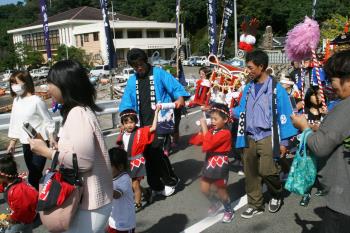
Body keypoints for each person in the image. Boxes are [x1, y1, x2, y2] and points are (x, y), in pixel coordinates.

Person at [28, 60, 113, 233]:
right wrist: (57, 146)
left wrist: (46, 152)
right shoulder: (80, 110)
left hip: (89, 201)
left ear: (65, 84)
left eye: (50, 82)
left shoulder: (77, 113)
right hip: (92, 199)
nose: (47, 87)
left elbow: (83, 162)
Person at [233, 50, 298, 218]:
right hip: (249, 136)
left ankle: (276, 194)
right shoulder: (247, 88)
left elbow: (286, 115)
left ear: (261, 67)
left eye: (250, 67)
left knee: (268, 170)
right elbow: (241, 110)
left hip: (269, 135)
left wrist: (284, 142)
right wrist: (228, 112)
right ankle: (255, 204)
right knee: (251, 172)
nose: (248, 70)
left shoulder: (277, 89)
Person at [291, 50, 350, 233]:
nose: (332, 86)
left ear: (347, 78)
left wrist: (305, 128)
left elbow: (321, 147)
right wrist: (319, 129)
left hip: (343, 200)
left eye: (332, 80)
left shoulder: (345, 107)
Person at [119, 48, 190, 197]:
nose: (138, 68)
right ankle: (156, 185)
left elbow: (175, 87)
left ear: (146, 61)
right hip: (142, 124)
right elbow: (126, 102)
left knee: (156, 151)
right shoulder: (132, 81)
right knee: (147, 154)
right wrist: (125, 118)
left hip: (161, 120)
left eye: (140, 64)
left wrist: (180, 97)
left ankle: (171, 180)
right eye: (135, 66)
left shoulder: (159, 73)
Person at [6, 71, 56, 190]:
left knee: (34, 174)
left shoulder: (37, 100)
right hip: (25, 143)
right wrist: (13, 142)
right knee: (35, 173)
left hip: (40, 142)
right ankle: (40, 199)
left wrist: (52, 137)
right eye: (12, 83)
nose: (14, 86)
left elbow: (48, 120)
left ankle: (34, 201)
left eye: (16, 83)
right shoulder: (16, 100)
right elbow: (15, 122)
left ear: (26, 82)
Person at [191, 103, 234, 223]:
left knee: (221, 191)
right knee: (204, 189)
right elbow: (199, 141)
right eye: (211, 118)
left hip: (220, 165)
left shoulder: (225, 133)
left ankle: (228, 209)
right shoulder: (212, 130)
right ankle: (215, 203)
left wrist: (205, 127)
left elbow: (208, 144)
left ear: (225, 119)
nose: (213, 121)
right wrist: (201, 130)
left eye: (216, 119)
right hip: (209, 163)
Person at [116, 106, 160, 211]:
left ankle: (138, 203)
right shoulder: (122, 134)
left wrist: (156, 112)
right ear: (123, 124)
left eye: (132, 122)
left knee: (135, 185)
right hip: (127, 162)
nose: (129, 125)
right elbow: (121, 147)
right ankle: (146, 192)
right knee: (131, 184)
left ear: (136, 122)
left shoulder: (140, 132)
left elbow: (153, 128)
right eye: (126, 123)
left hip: (137, 162)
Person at [0, 154, 38, 233]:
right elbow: (2, 187)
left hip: (22, 219)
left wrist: (11, 218)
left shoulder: (18, 191)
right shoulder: (8, 182)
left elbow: (22, 211)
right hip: (20, 215)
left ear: (4, 176)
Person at [107, 147, 136, 233]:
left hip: (125, 223)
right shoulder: (111, 177)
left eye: (110, 166)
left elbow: (117, 195)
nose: (107, 169)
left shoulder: (125, 179)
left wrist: (104, 185)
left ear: (120, 167)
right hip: (113, 221)